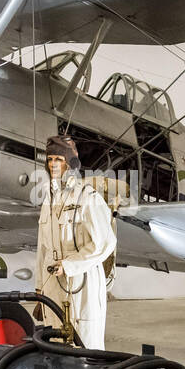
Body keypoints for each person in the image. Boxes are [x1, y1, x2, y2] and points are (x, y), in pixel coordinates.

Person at [34, 135, 116, 350]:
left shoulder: (88, 197)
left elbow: (105, 243)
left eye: (59, 159)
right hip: (53, 283)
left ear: (71, 163)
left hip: (83, 282)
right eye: (50, 159)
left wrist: (70, 265)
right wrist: (39, 287)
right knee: (55, 342)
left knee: (85, 344)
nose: (53, 164)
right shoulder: (49, 200)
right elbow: (43, 249)